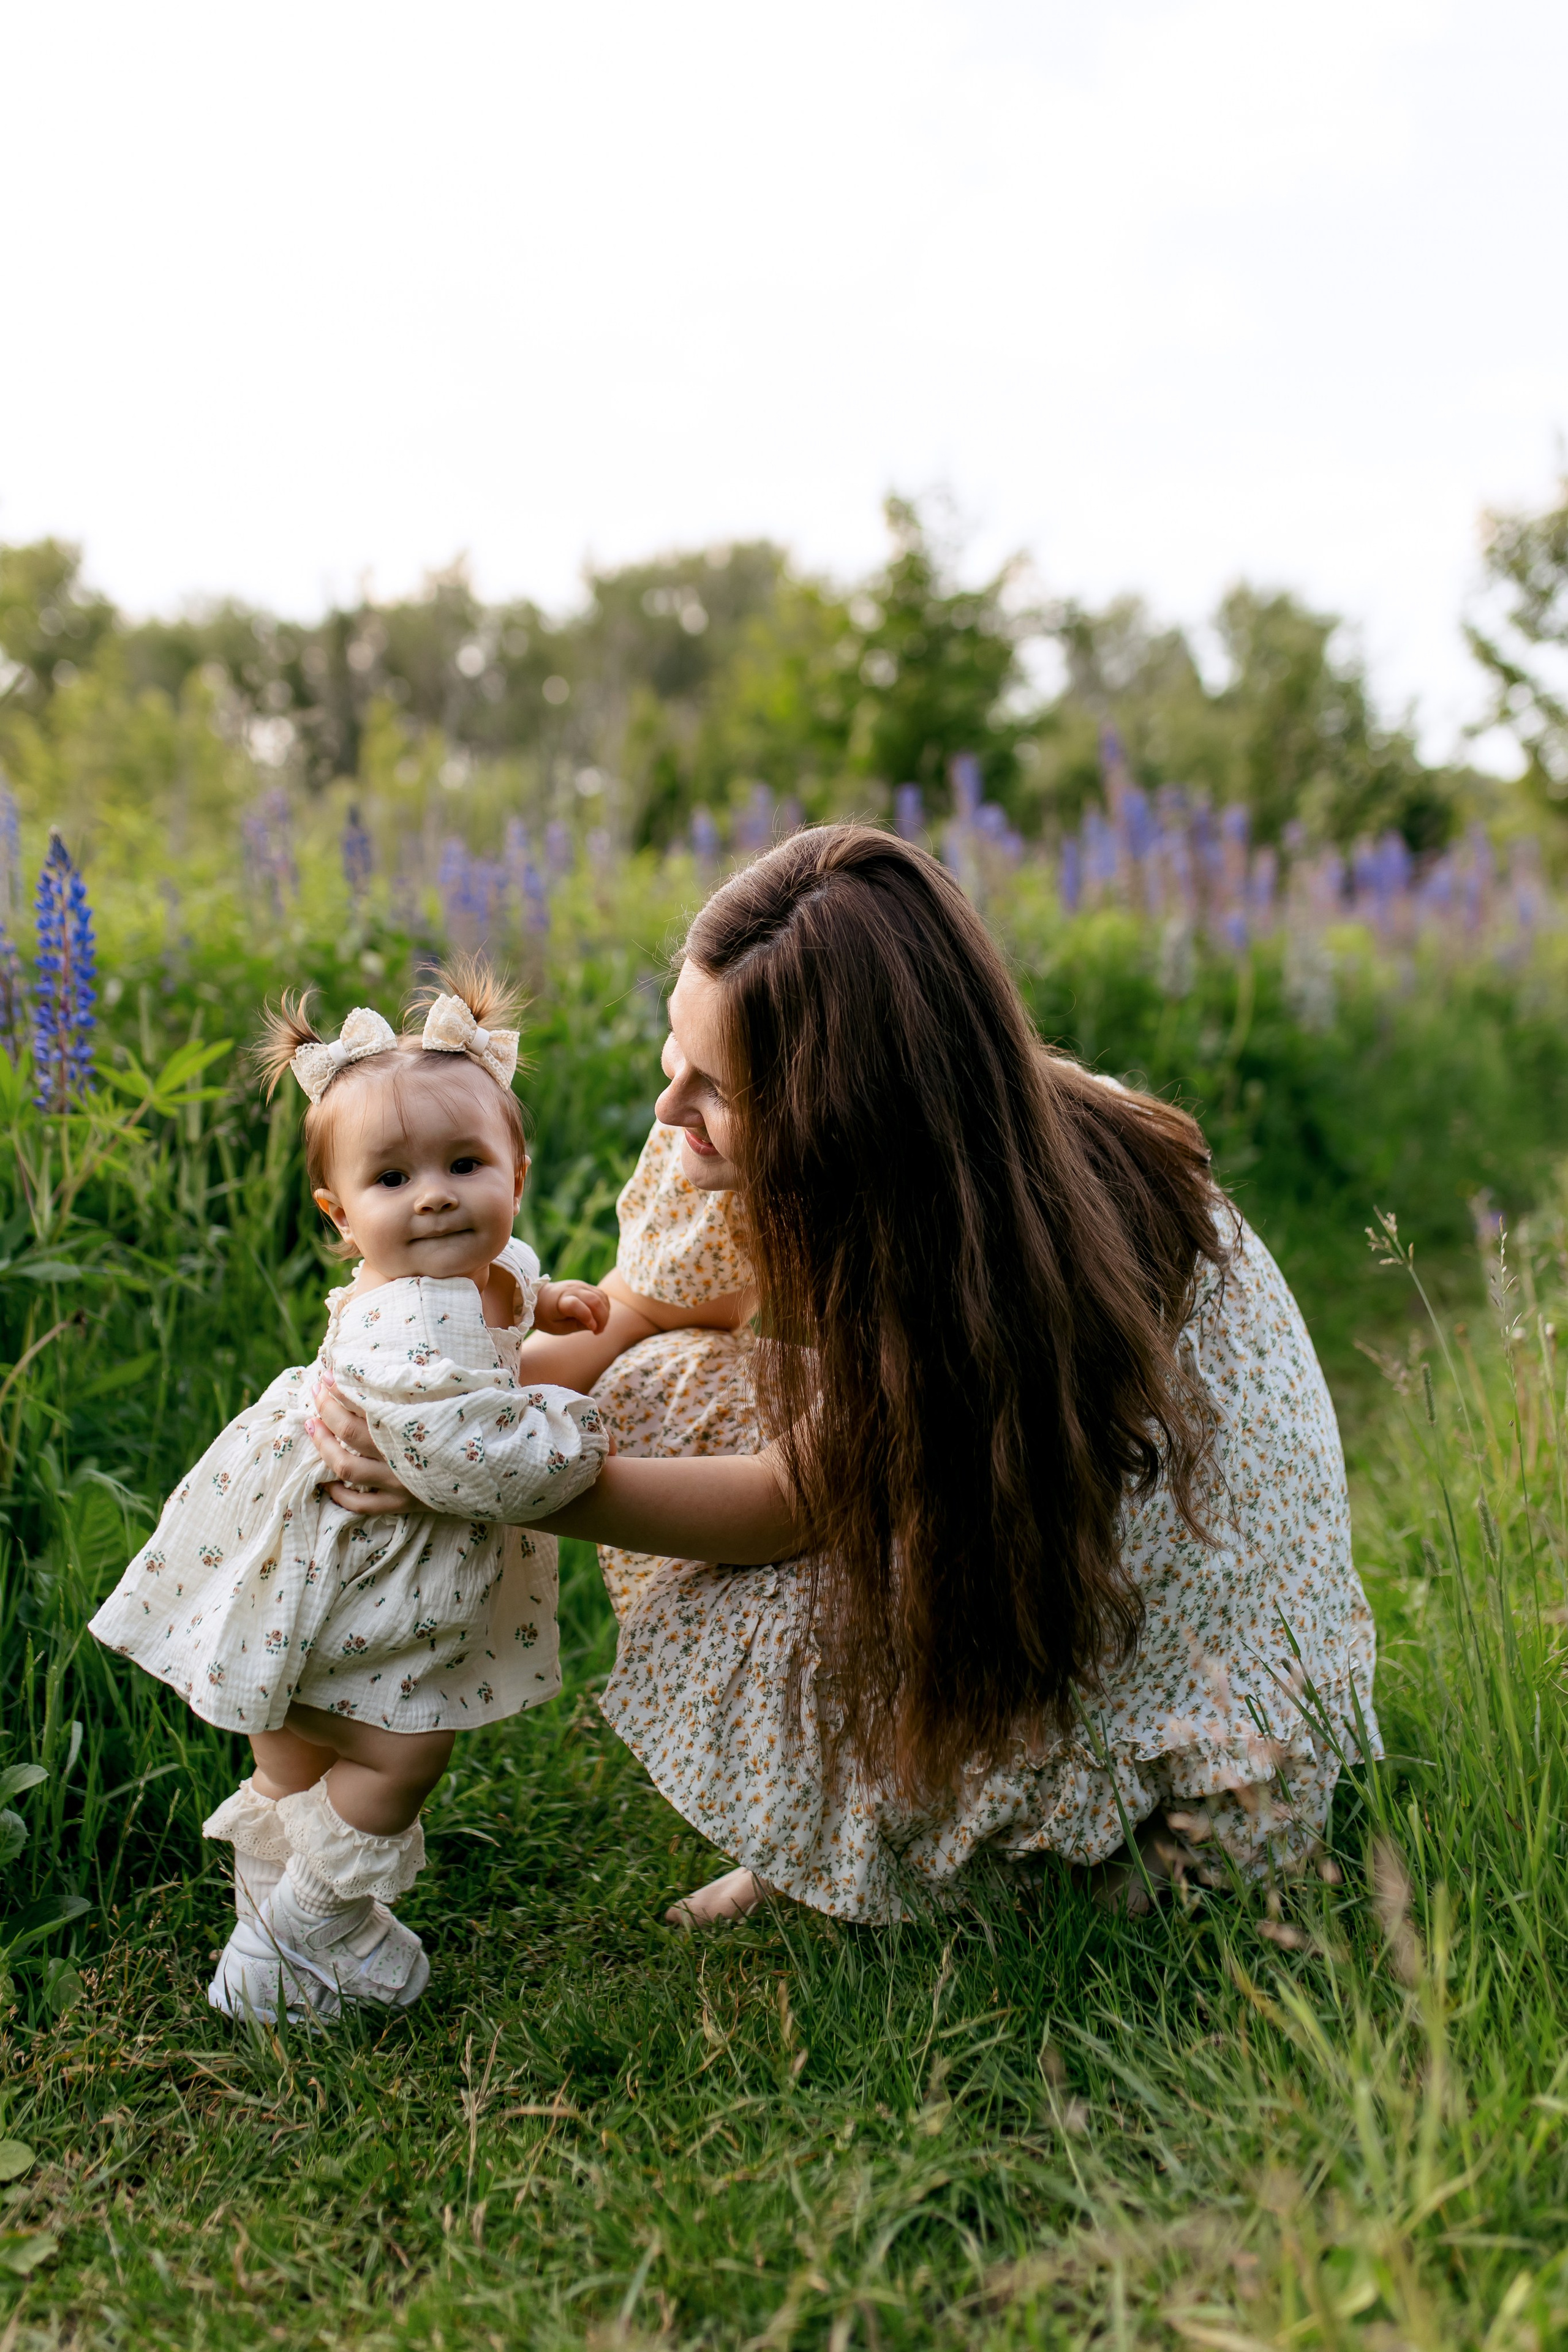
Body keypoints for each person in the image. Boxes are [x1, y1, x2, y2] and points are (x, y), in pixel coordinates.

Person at [311, 827, 1381, 1930]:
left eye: (715, 1086)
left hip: (1175, 1769)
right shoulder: (892, 1120)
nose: (673, 1105)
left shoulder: (980, 1250)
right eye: (673, 1051)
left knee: (626, 1429)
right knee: (649, 1380)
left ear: (839, 1108)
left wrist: (477, 1475)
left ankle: (931, 1851)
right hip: (1048, 1570)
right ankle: (835, 1837)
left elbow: (787, 1507)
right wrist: (422, 1396)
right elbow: (644, 1311)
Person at [89, 960, 612, 2019]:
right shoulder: (409, 1326)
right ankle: (294, 1940)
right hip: (376, 1584)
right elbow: (484, 1457)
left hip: (309, 1577)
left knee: (292, 1752)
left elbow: (497, 1278)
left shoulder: (464, 1264)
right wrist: (583, 1428)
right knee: (403, 1751)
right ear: (338, 1210)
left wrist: (543, 1303)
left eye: (464, 1163)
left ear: (517, 1166)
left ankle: (278, 1922)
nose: (433, 1194)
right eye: (392, 1181)